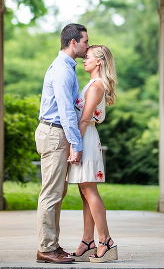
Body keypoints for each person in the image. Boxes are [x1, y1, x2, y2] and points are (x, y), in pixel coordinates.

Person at [36, 23, 89, 264]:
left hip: (57, 133)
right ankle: (46, 249)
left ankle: (52, 245)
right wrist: (75, 144)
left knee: (57, 192)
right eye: (85, 41)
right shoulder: (63, 70)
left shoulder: (66, 67)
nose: (87, 46)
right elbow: (67, 112)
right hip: (55, 133)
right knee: (51, 193)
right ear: (73, 42)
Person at [67, 44, 119, 263]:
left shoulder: (96, 86)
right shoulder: (91, 83)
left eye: (87, 57)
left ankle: (105, 241)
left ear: (99, 61)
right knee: (84, 192)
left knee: (90, 191)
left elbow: (84, 119)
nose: (83, 59)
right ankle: (88, 241)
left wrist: (74, 145)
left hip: (85, 139)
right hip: (85, 137)